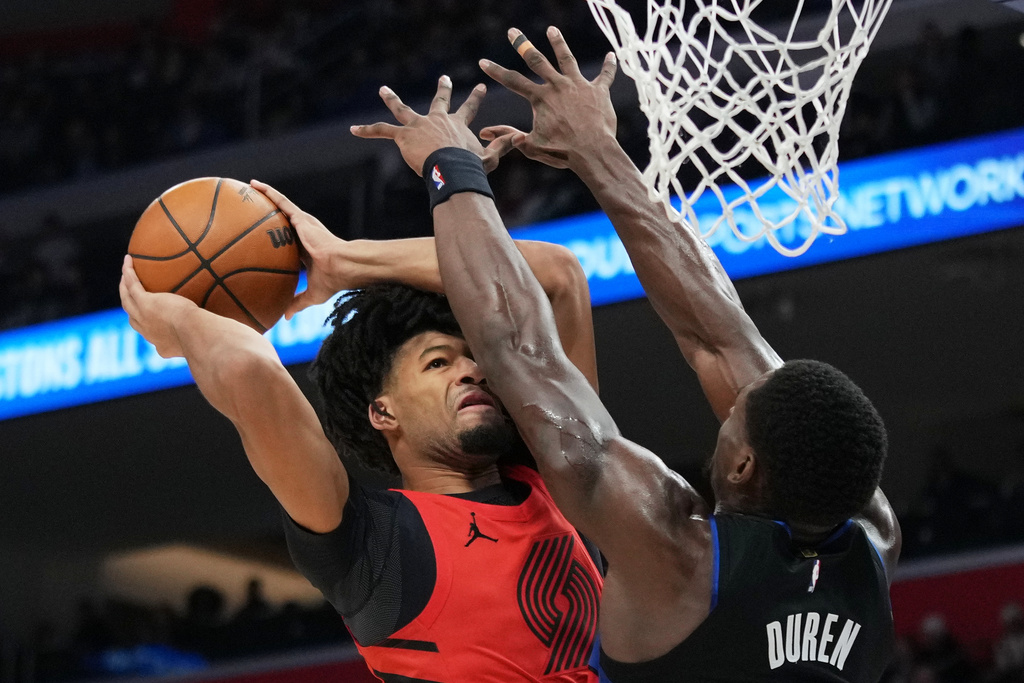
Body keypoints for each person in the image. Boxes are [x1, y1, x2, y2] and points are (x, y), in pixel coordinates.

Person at [350, 25, 899, 682]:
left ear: (746, 462)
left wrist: (452, 167)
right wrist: (596, 150)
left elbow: (519, 351)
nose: (727, 405)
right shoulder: (869, 531)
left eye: (735, 418)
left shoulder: (679, 554)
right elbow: (718, 334)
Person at [119, 167, 604, 679]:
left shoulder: (566, 475)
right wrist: (180, 323)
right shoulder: (372, 545)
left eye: (471, 359)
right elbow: (250, 367)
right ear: (383, 411)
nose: (472, 370)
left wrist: (347, 259)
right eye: (438, 362)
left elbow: (556, 275)